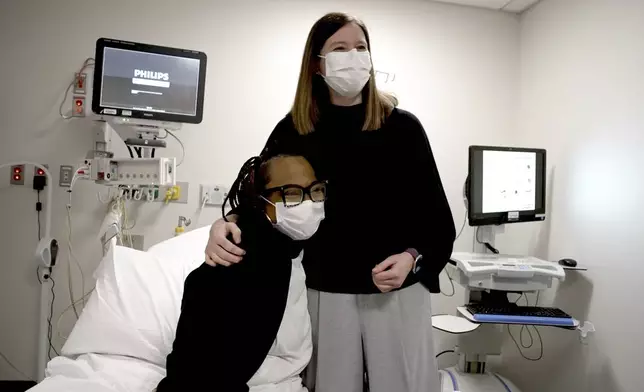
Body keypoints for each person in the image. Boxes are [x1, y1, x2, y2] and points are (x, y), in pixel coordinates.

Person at [205, 12, 456, 392]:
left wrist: (411, 258)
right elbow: (258, 199)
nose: (353, 56)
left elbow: (438, 222)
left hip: (398, 291)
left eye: (361, 48)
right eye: (340, 48)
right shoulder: (295, 129)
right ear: (316, 64)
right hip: (326, 290)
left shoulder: (403, 129)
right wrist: (227, 222)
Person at [157, 154, 327, 392]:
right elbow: (200, 370)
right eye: (291, 193)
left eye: (316, 191)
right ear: (262, 201)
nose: (309, 202)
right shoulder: (240, 263)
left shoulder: (297, 246)